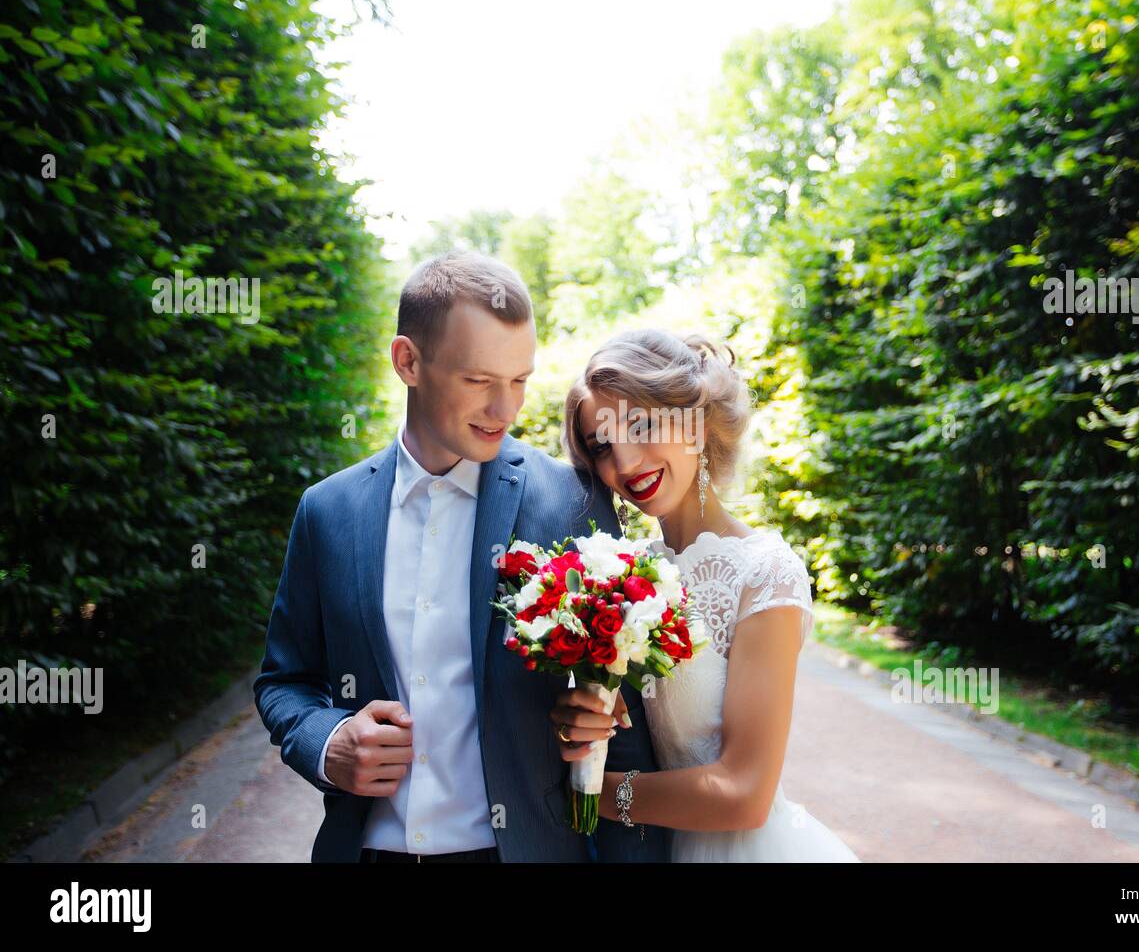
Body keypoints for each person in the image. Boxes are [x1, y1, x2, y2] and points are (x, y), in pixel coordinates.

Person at [254, 251, 667, 862]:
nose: (506, 410)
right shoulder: (326, 512)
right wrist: (328, 741)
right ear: (408, 361)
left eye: (520, 381)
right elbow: (285, 682)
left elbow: (624, 726)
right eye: (479, 381)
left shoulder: (572, 502)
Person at [550, 328, 860, 861]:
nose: (623, 462)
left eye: (641, 425)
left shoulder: (765, 573)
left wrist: (594, 795)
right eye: (601, 445)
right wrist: (582, 716)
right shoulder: (618, 573)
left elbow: (744, 795)